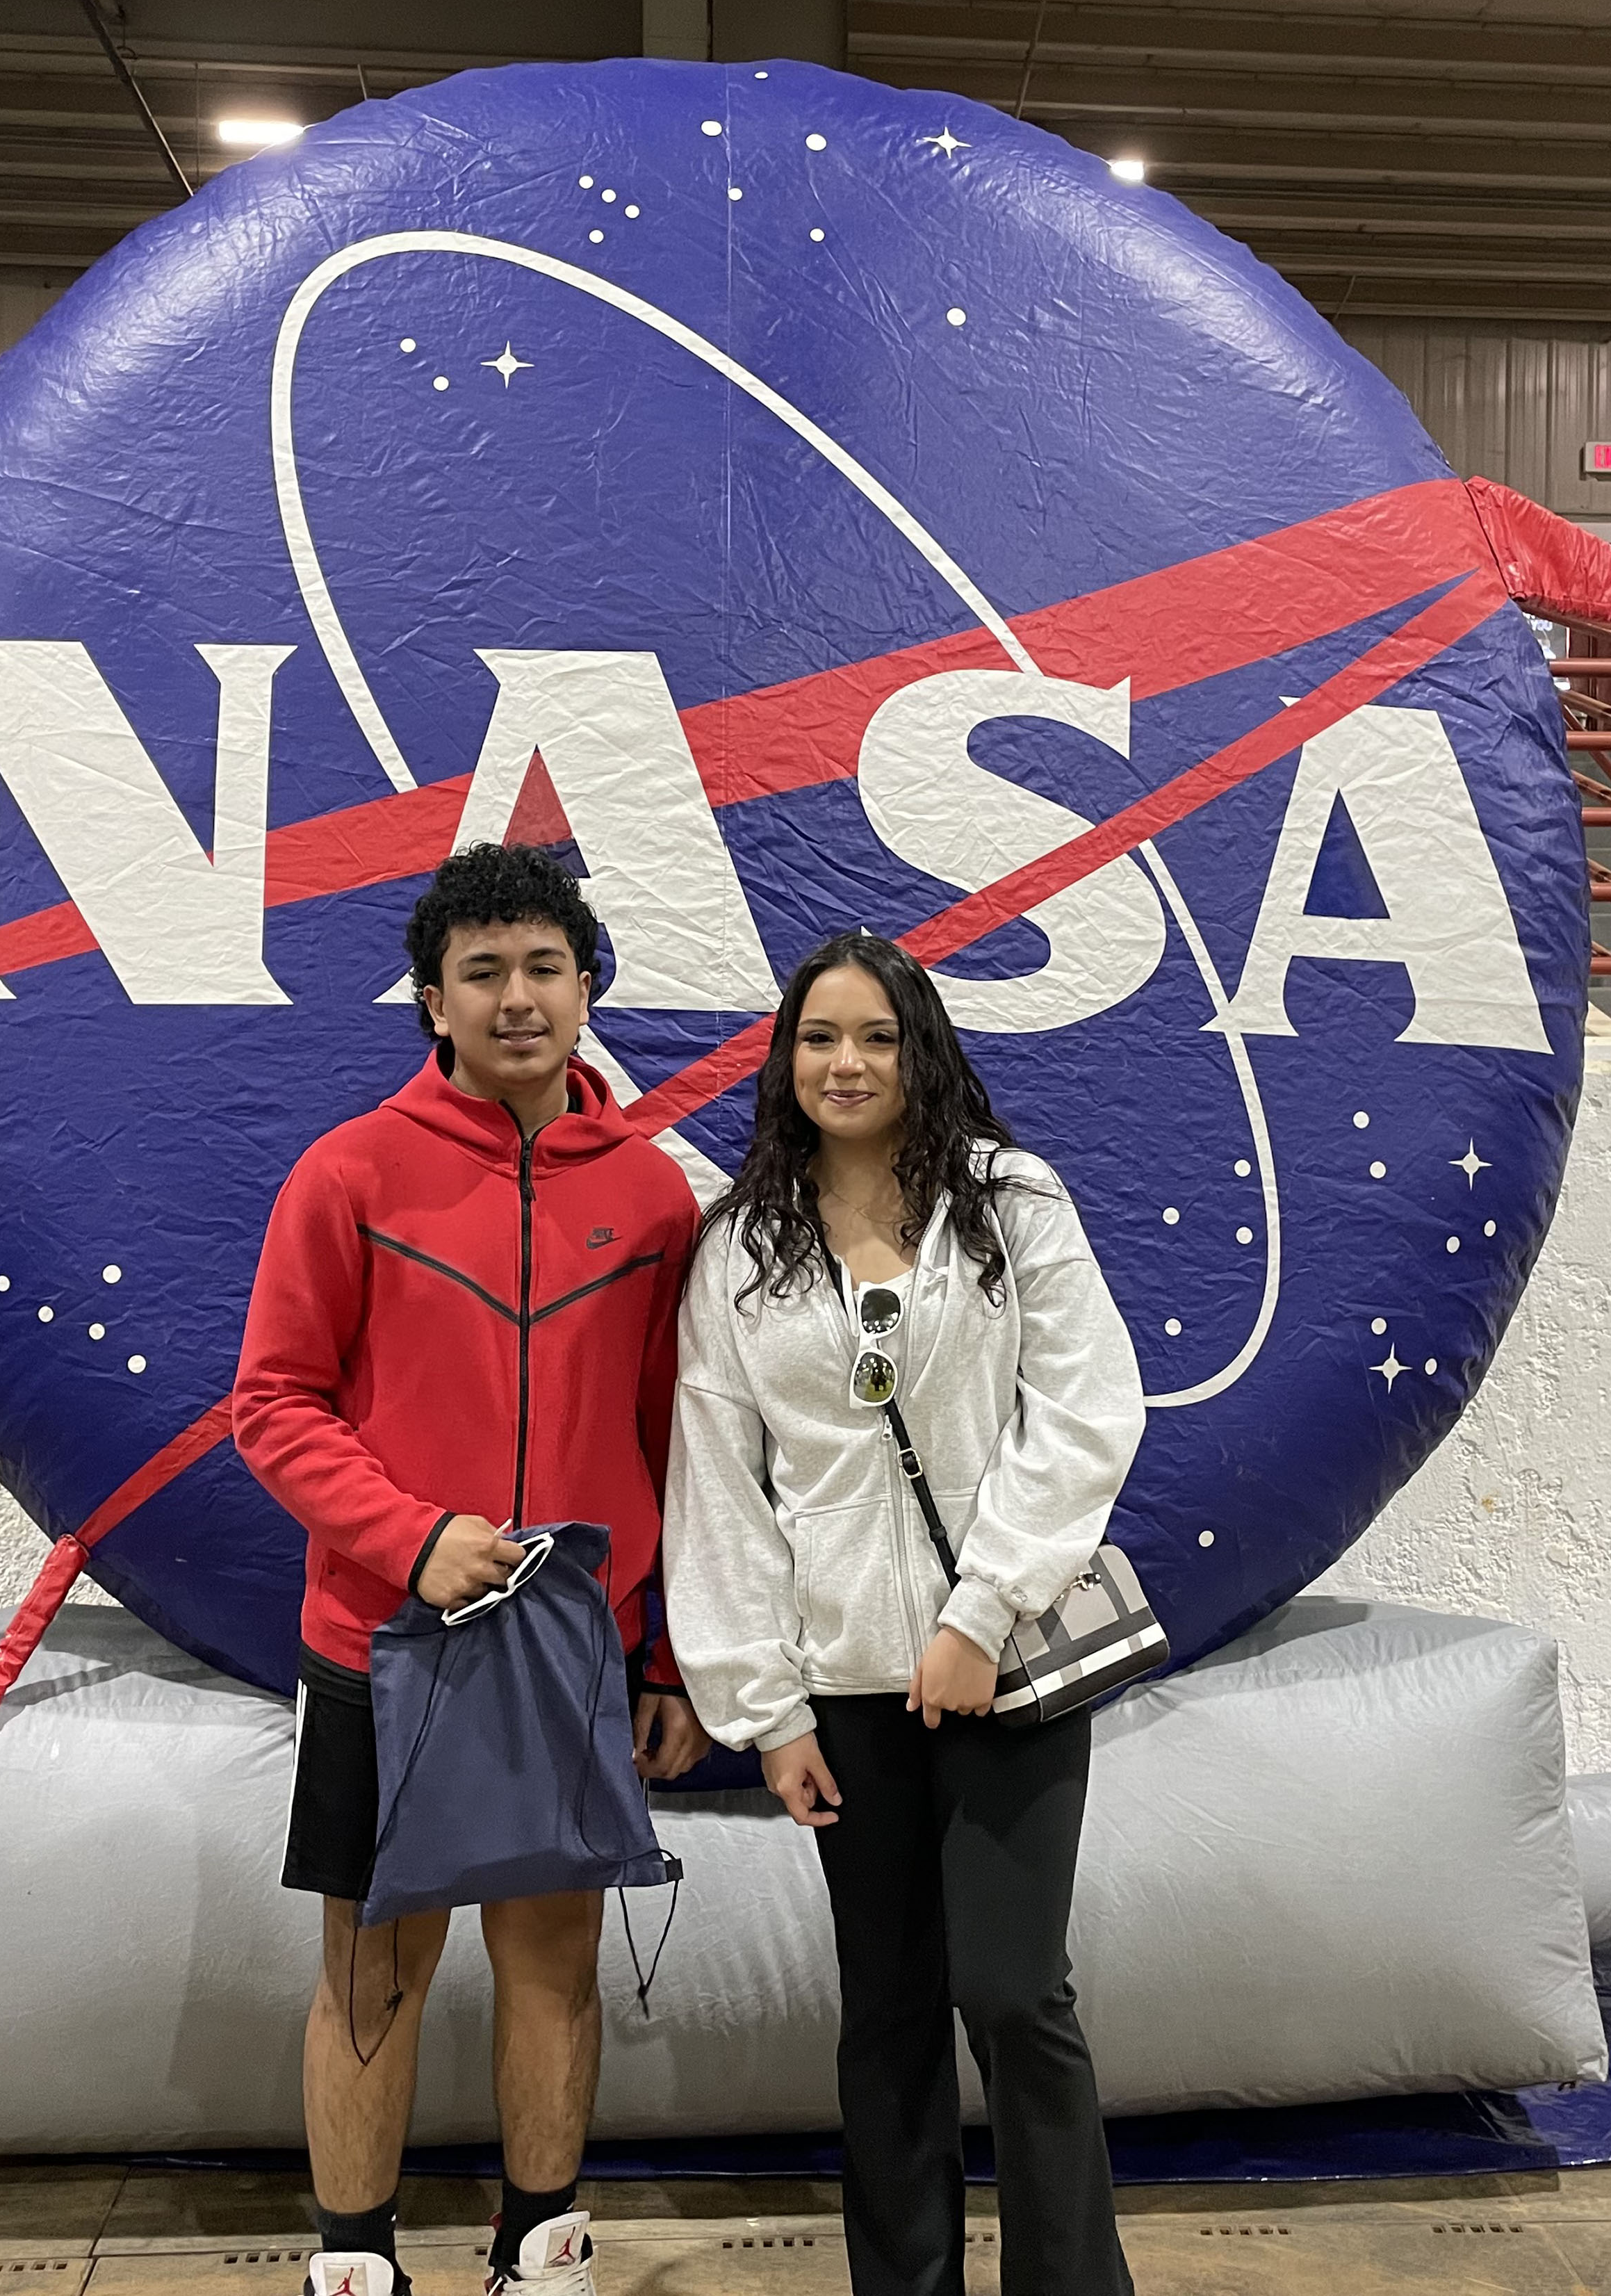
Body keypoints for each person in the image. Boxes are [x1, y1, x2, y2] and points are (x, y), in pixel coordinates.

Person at [234, 842, 712, 2296]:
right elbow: (273, 1405)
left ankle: (543, 2250)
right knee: (372, 1976)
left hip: (568, 1654)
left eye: (544, 968)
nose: (518, 998)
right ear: (433, 1001)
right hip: (384, 1644)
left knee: (553, 1963)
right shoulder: (349, 1173)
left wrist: (667, 1656)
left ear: (586, 987)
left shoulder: (654, 1197)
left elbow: (676, 1448)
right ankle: (354, 2266)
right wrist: (411, 1536)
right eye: (483, 973)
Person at [662, 930, 1146, 2296]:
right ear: (786, 1058)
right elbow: (718, 1488)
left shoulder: (1010, 1201)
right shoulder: (740, 1249)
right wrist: (763, 1707)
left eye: (876, 1035)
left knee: (1011, 1992)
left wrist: (982, 1612)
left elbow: (1087, 1410)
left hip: (1003, 1670)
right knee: (883, 2014)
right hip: (840, 1693)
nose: (848, 1062)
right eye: (821, 1038)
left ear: (920, 1047)